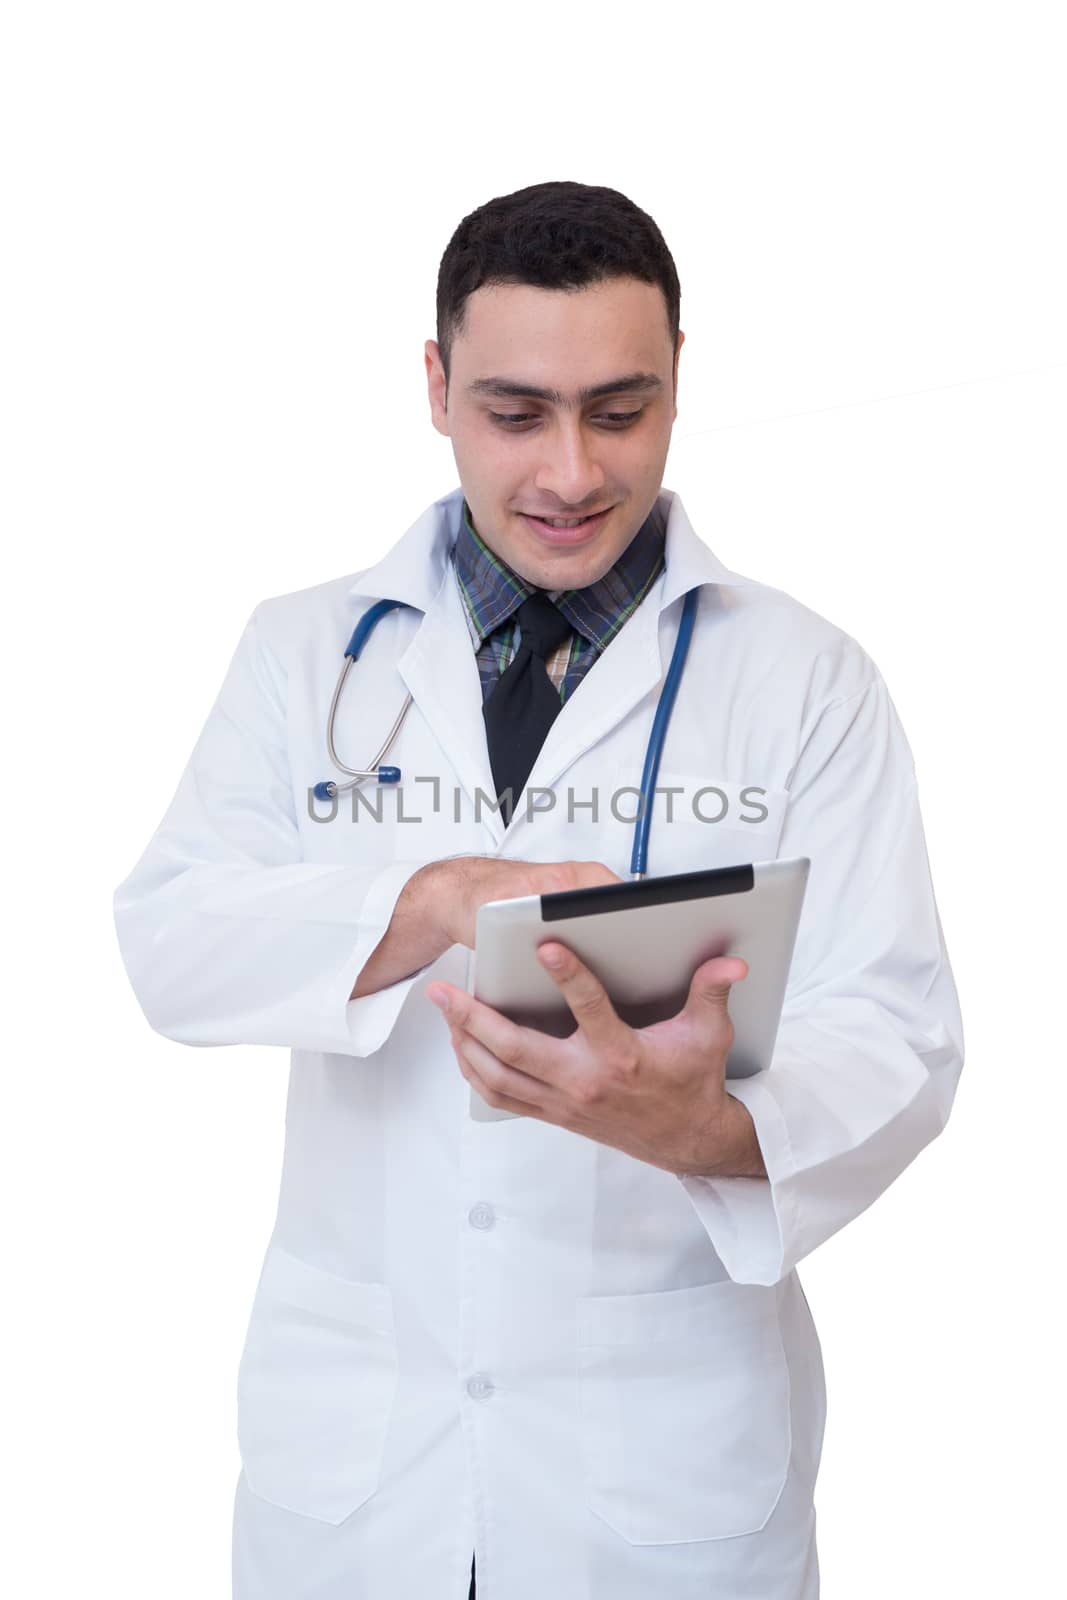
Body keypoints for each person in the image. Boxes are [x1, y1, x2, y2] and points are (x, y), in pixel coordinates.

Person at [112, 180, 964, 1600]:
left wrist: (714, 1128)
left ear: (681, 376)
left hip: (661, 1455)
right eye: (516, 414)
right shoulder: (302, 652)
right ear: (436, 386)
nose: (571, 472)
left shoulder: (806, 679)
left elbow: (900, 1031)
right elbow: (172, 944)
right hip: (366, 1447)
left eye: (620, 410)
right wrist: (436, 900)